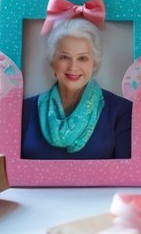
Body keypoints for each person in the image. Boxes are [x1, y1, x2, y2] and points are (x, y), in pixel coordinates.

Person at [21, 13, 133, 160]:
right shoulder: (24, 109)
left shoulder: (121, 110)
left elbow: (125, 173)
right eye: (64, 57)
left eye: (82, 58)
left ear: (94, 63)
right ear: (53, 61)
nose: (73, 67)